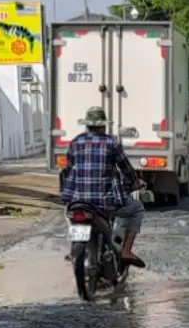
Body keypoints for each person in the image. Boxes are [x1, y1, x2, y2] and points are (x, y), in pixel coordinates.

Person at [61, 106, 146, 268]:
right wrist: (135, 182)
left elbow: (70, 168)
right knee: (137, 210)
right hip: (105, 202)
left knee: (71, 216)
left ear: (87, 125)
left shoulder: (75, 143)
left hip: (76, 201)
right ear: (103, 126)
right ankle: (126, 251)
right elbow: (126, 168)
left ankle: (74, 250)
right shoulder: (111, 143)